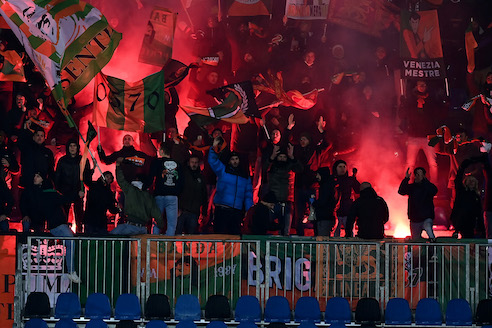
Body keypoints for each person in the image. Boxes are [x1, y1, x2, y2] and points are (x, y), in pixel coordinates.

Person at [21, 172, 80, 283]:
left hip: (55, 225)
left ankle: (71, 270)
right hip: (57, 225)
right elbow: (65, 199)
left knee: (70, 242)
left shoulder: (44, 194)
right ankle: (71, 271)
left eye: (37, 176)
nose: (35, 177)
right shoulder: (50, 194)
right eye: (35, 176)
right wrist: (77, 194)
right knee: (71, 242)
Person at [209, 137, 253, 234]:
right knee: (219, 236)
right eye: (232, 159)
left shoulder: (245, 175)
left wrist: (248, 210)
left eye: (236, 159)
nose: (235, 161)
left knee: (234, 237)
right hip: (222, 208)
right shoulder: (223, 170)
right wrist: (213, 148)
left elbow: (248, 194)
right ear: (229, 161)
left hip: (236, 211)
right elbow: (213, 161)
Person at [111, 157, 163, 235]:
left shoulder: (130, 190)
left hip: (130, 226)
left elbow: (121, 180)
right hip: (142, 228)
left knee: (112, 237)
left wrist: (118, 165)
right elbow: (157, 214)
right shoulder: (149, 196)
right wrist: (161, 225)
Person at [263, 144, 302, 236]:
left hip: (287, 201)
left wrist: (292, 157)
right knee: (269, 227)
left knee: (285, 230)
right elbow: (264, 167)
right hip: (273, 201)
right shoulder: (272, 166)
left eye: (284, 157)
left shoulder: (290, 166)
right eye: (280, 156)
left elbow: (300, 169)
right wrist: (272, 156)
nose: (282, 159)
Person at [146, 143, 183, 236]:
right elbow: (181, 181)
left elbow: (150, 178)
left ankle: (154, 244)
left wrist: (144, 188)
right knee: (172, 224)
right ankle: (168, 245)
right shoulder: (178, 163)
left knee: (157, 222)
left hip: (159, 195)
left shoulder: (156, 162)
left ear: (162, 151)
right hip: (172, 196)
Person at [54, 139, 85, 233]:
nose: (72, 148)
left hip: (78, 191)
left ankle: (79, 235)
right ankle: (62, 236)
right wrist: (58, 191)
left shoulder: (82, 160)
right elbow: (57, 177)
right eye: (70, 146)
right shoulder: (62, 161)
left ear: (77, 148)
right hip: (65, 191)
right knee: (63, 216)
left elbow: (86, 176)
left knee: (79, 217)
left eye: (74, 146)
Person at [398, 167, 438, 241]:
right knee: (416, 240)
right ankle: (423, 249)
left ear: (424, 176)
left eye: (420, 174)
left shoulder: (428, 186)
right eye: (417, 174)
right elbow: (401, 191)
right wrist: (406, 179)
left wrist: (425, 181)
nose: (418, 176)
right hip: (415, 219)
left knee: (429, 229)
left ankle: (433, 246)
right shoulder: (412, 187)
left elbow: (434, 190)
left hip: (426, 217)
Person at [450, 158, 485, 238]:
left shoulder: (476, 196)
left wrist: (480, 226)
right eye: (470, 181)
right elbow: (458, 180)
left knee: (471, 240)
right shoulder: (462, 191)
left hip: (472, 222)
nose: (471, 183)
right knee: (467, 238)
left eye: (473, 181)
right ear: (466, 182)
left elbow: (479, 211)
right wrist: (462, 167)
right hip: (462, 220)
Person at [83, 167, 119, 235]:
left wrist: (118, 209)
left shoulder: (109, 193)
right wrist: (92, 169)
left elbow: (111, 208)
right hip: (90, 219)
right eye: (107, 176)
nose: (108, 179)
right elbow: (86, 180)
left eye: (110, 178)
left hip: (101, 221)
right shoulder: (93, 185)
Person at [177, 155, 207, 234]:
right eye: (192, 162)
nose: (194, 164)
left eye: (196, 162)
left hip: (194, 212)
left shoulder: (201, 177)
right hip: (182, 210)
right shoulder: (183, 175)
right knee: (177, 235)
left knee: (191, 237)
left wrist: (204, 212)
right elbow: (177, 191)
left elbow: (204, 195)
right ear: (188, 163)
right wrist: (177, 207)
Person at [332, 160, 360, 236]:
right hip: (335, 212)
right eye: (340, 167)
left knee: (350, 234)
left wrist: (354, 178)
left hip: (348, 211)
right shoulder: (332, 180)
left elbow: (358, 190)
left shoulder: (350, 180)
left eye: (344, 167)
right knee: (334, 235)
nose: (342, 169)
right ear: (336, 168)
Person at [312, 167, 337, 236]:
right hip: (325, 217)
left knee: (323, 239)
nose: (316, 177)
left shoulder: (326, 187)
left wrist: (314, 203)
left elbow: (323, 201)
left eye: (318, 174)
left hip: (324, 217)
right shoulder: (328, 185)